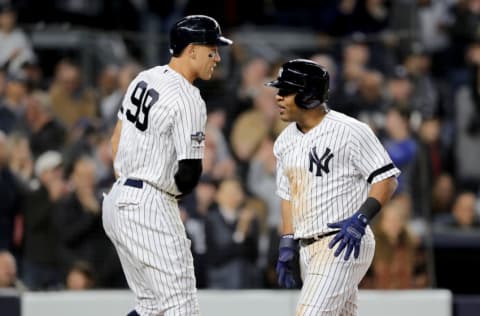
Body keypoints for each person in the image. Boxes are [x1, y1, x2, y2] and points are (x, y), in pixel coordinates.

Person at [102, 15, 232, 316]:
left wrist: (131, 182)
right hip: (150, 203)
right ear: (192, 50)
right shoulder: (189, 97)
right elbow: (189, 174)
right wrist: (161, 195)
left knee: (151, 307)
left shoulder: (145, 77)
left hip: (118, 198)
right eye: (212, 49)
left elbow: (116, 138)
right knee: (180, 306)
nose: (218, 56)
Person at [266, 59, 400, 315]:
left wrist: (361, 219)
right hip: (308, 248)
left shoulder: (351, 130)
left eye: (286, 91)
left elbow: (386, 178)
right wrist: (286, 243)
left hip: (342, 242)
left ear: (309, 95)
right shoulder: (284, 141)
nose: (278, 97)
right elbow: (287, 196)